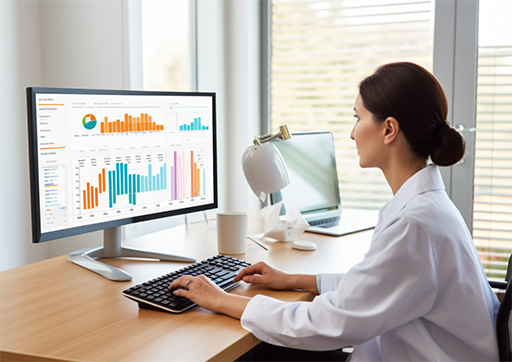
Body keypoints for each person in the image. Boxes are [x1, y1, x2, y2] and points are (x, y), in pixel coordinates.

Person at [169, 62, 500, 361]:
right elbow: (377, 285)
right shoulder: (426, 206)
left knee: (259, 352)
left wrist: (221, 300)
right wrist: (297, 280)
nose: (352, 132)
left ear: (389, 129)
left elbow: (331, 322)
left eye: (357, 118)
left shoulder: (415, 224)